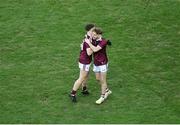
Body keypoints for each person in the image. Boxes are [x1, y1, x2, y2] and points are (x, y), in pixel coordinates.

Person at [85, 27, 112, 104]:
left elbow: (95, 49)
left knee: (103, 81)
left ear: (99, 34)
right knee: (97, 79)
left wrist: (88, 43)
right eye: (92, 34)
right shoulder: (93, 39)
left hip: (103, 63)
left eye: (94, 35)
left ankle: (102, 96)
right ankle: (107, 90)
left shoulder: (103, 41)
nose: (93, 36)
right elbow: (88, 37)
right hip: (96, 62)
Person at [69, 24, 95, 102]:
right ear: (89, 31)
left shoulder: (89, 37)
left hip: (86, 60)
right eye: (93, 30)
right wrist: (97, 47)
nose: (94, 31)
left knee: (86, 75)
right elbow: (89, 53)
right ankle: (72, 93)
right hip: (85, 61)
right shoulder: (88, 40)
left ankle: (84, 89)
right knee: (81, 77)